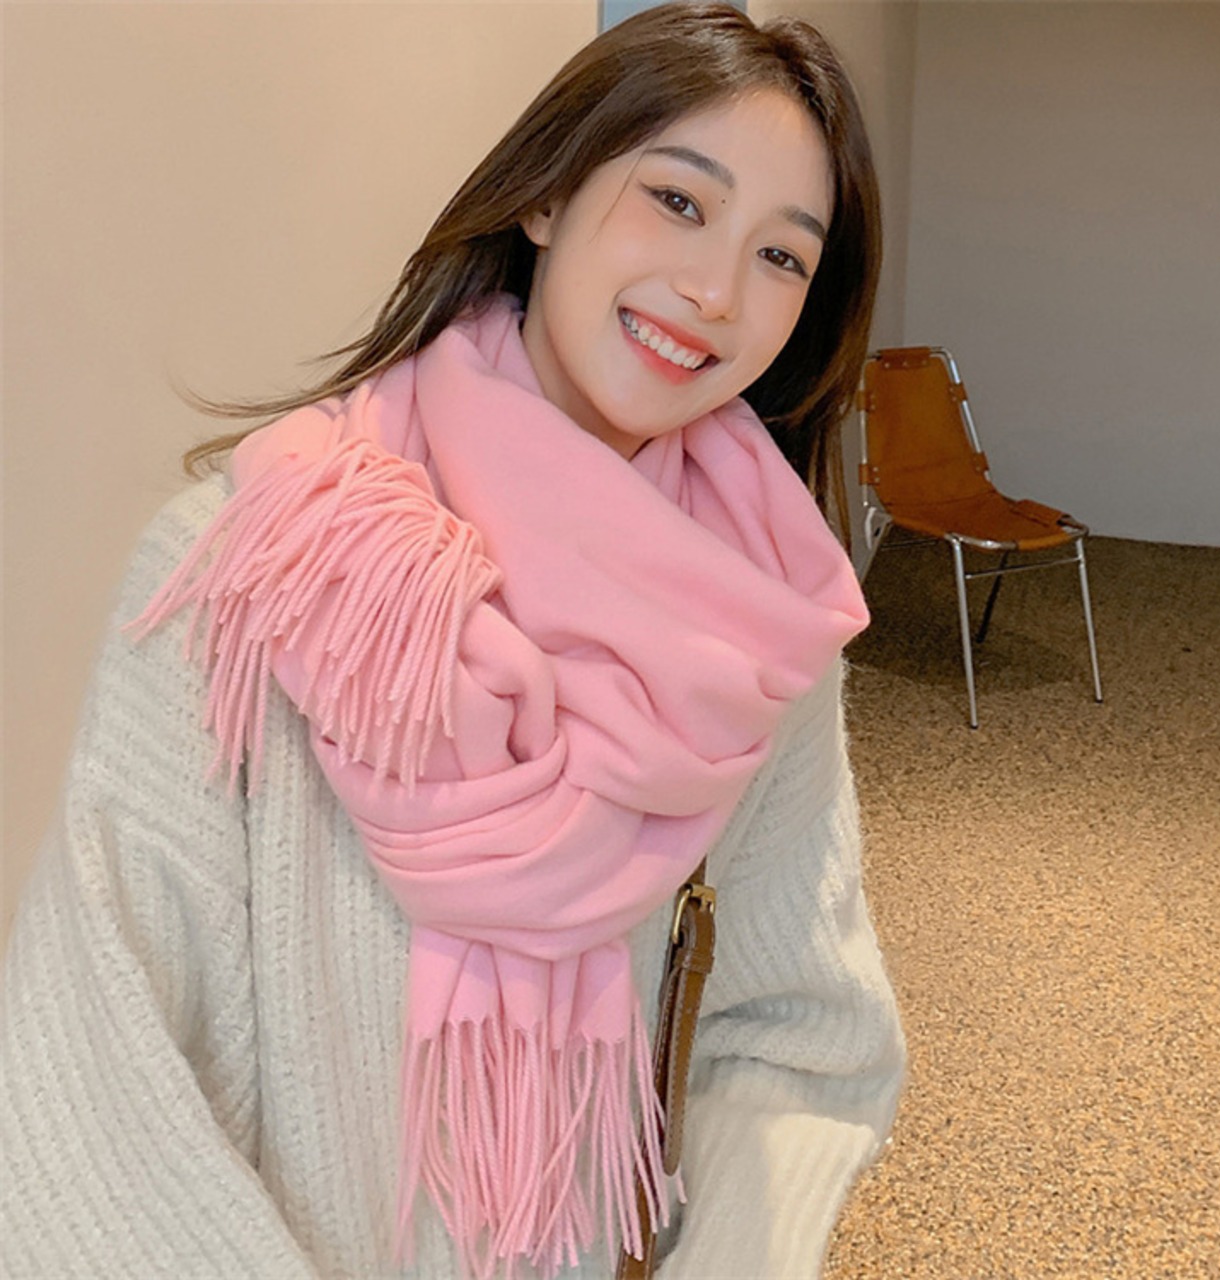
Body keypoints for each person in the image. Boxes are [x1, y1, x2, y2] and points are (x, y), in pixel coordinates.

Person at [0, 4, 905, 1277]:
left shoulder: (759, 628)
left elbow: (798, 1033)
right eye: (677, 201)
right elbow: (92, 1058)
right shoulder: (251, 566)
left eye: (780, 256)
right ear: (544, 196)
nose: (715, 292)